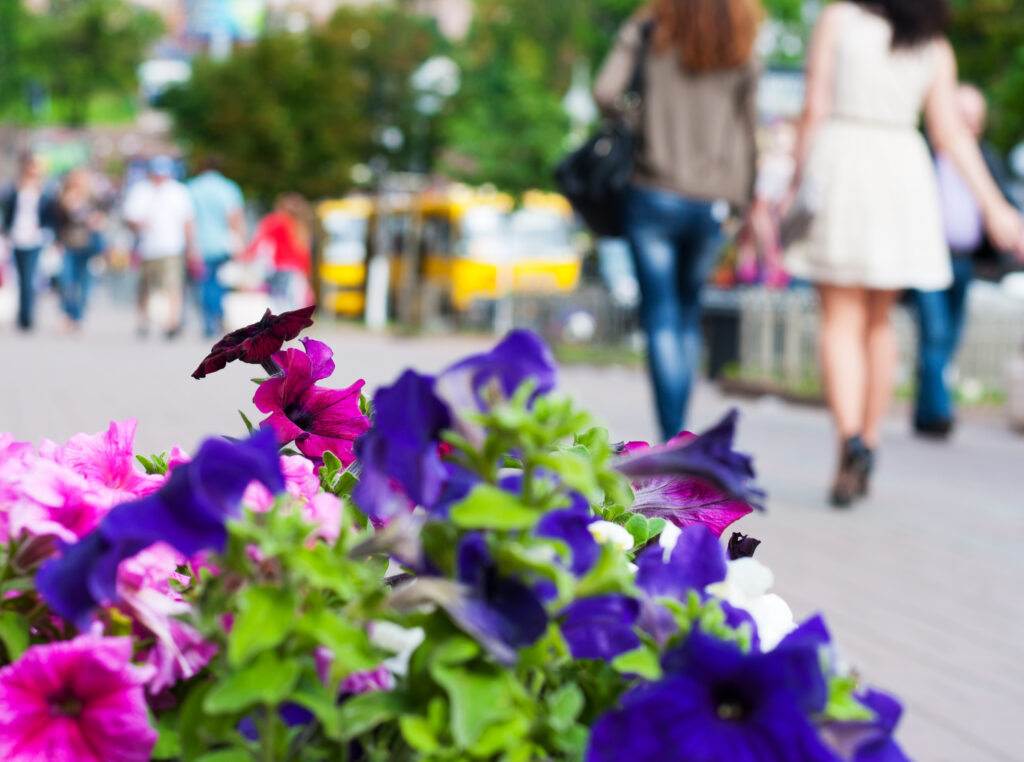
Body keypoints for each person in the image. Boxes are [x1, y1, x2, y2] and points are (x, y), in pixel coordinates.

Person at [784, 0, 1024, 506]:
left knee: (840, 321)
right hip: (901, 172)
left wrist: (793, 185)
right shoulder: (931, 40)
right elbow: (950, 132)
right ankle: (869, 443)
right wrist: (995, 205)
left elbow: (814, 109)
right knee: (879, 322)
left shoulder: (840, 20)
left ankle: (848, 438)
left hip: (843, 162)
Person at [593, 0, 761, 442]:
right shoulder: (741, 31)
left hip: (652, 192)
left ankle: (671, 433)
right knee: (688, 314)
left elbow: (605, 91)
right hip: (713, 199)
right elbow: (748, 129)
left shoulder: (651, 25)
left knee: (662, 316)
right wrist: (744, 199)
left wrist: (638, 120)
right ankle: (678, 432)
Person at [912, 85, 1019, 438]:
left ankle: (925, 411)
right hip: (927, 259)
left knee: (949, 337)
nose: (968, 127)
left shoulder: (985, 159)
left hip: (965, 262)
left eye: (975, 120)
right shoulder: (922, 155)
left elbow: (1002, 201)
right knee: (936, 333)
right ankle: (942, 412)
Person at [123, 156, 199, 339]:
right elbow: (129, 216)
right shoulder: (141, 190)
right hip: (146, 247)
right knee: (145, 287)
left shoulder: (179, 192)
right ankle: (143, 320)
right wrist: (139, 225)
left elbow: (187, 222)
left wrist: (192, 249)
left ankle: (172, 323)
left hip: (172, 246)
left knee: (172, 285)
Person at [187, 156, 245, 337]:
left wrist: (189, 245)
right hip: (223, 244)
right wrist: (240, 241)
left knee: (204, 284)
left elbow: (187, 219)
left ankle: (208, 320)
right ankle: (218, 315)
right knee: (220, 283)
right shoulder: (228, 188)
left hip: (199, 244)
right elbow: (234, 217)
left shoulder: (192, 187)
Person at [1, 153, 55, 331]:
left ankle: (27, 315)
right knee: (20, 277)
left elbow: (48, 214)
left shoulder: (43, 190)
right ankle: (23, 314)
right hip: (17, 237)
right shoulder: (15, 188)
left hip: (35, 238)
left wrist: (47, 233)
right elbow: (8, 212)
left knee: (30, 277)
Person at [54, 166, 108, 330]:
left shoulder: (93, 199)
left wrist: (95, 219)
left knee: (84, 283)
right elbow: (57, 221)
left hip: (88, 245)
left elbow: (103, 218)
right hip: (69, 245)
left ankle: (78, 317)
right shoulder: (63, 198)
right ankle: (67, 314)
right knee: (66, 281)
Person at [247, 193, 314, 311]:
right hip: (296, 270)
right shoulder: (301, 225)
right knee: (293, 303)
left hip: (280, 267)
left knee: (280, 302)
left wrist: (248, 255)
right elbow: (305, 255)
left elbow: (260, 239)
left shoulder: (274, 220)